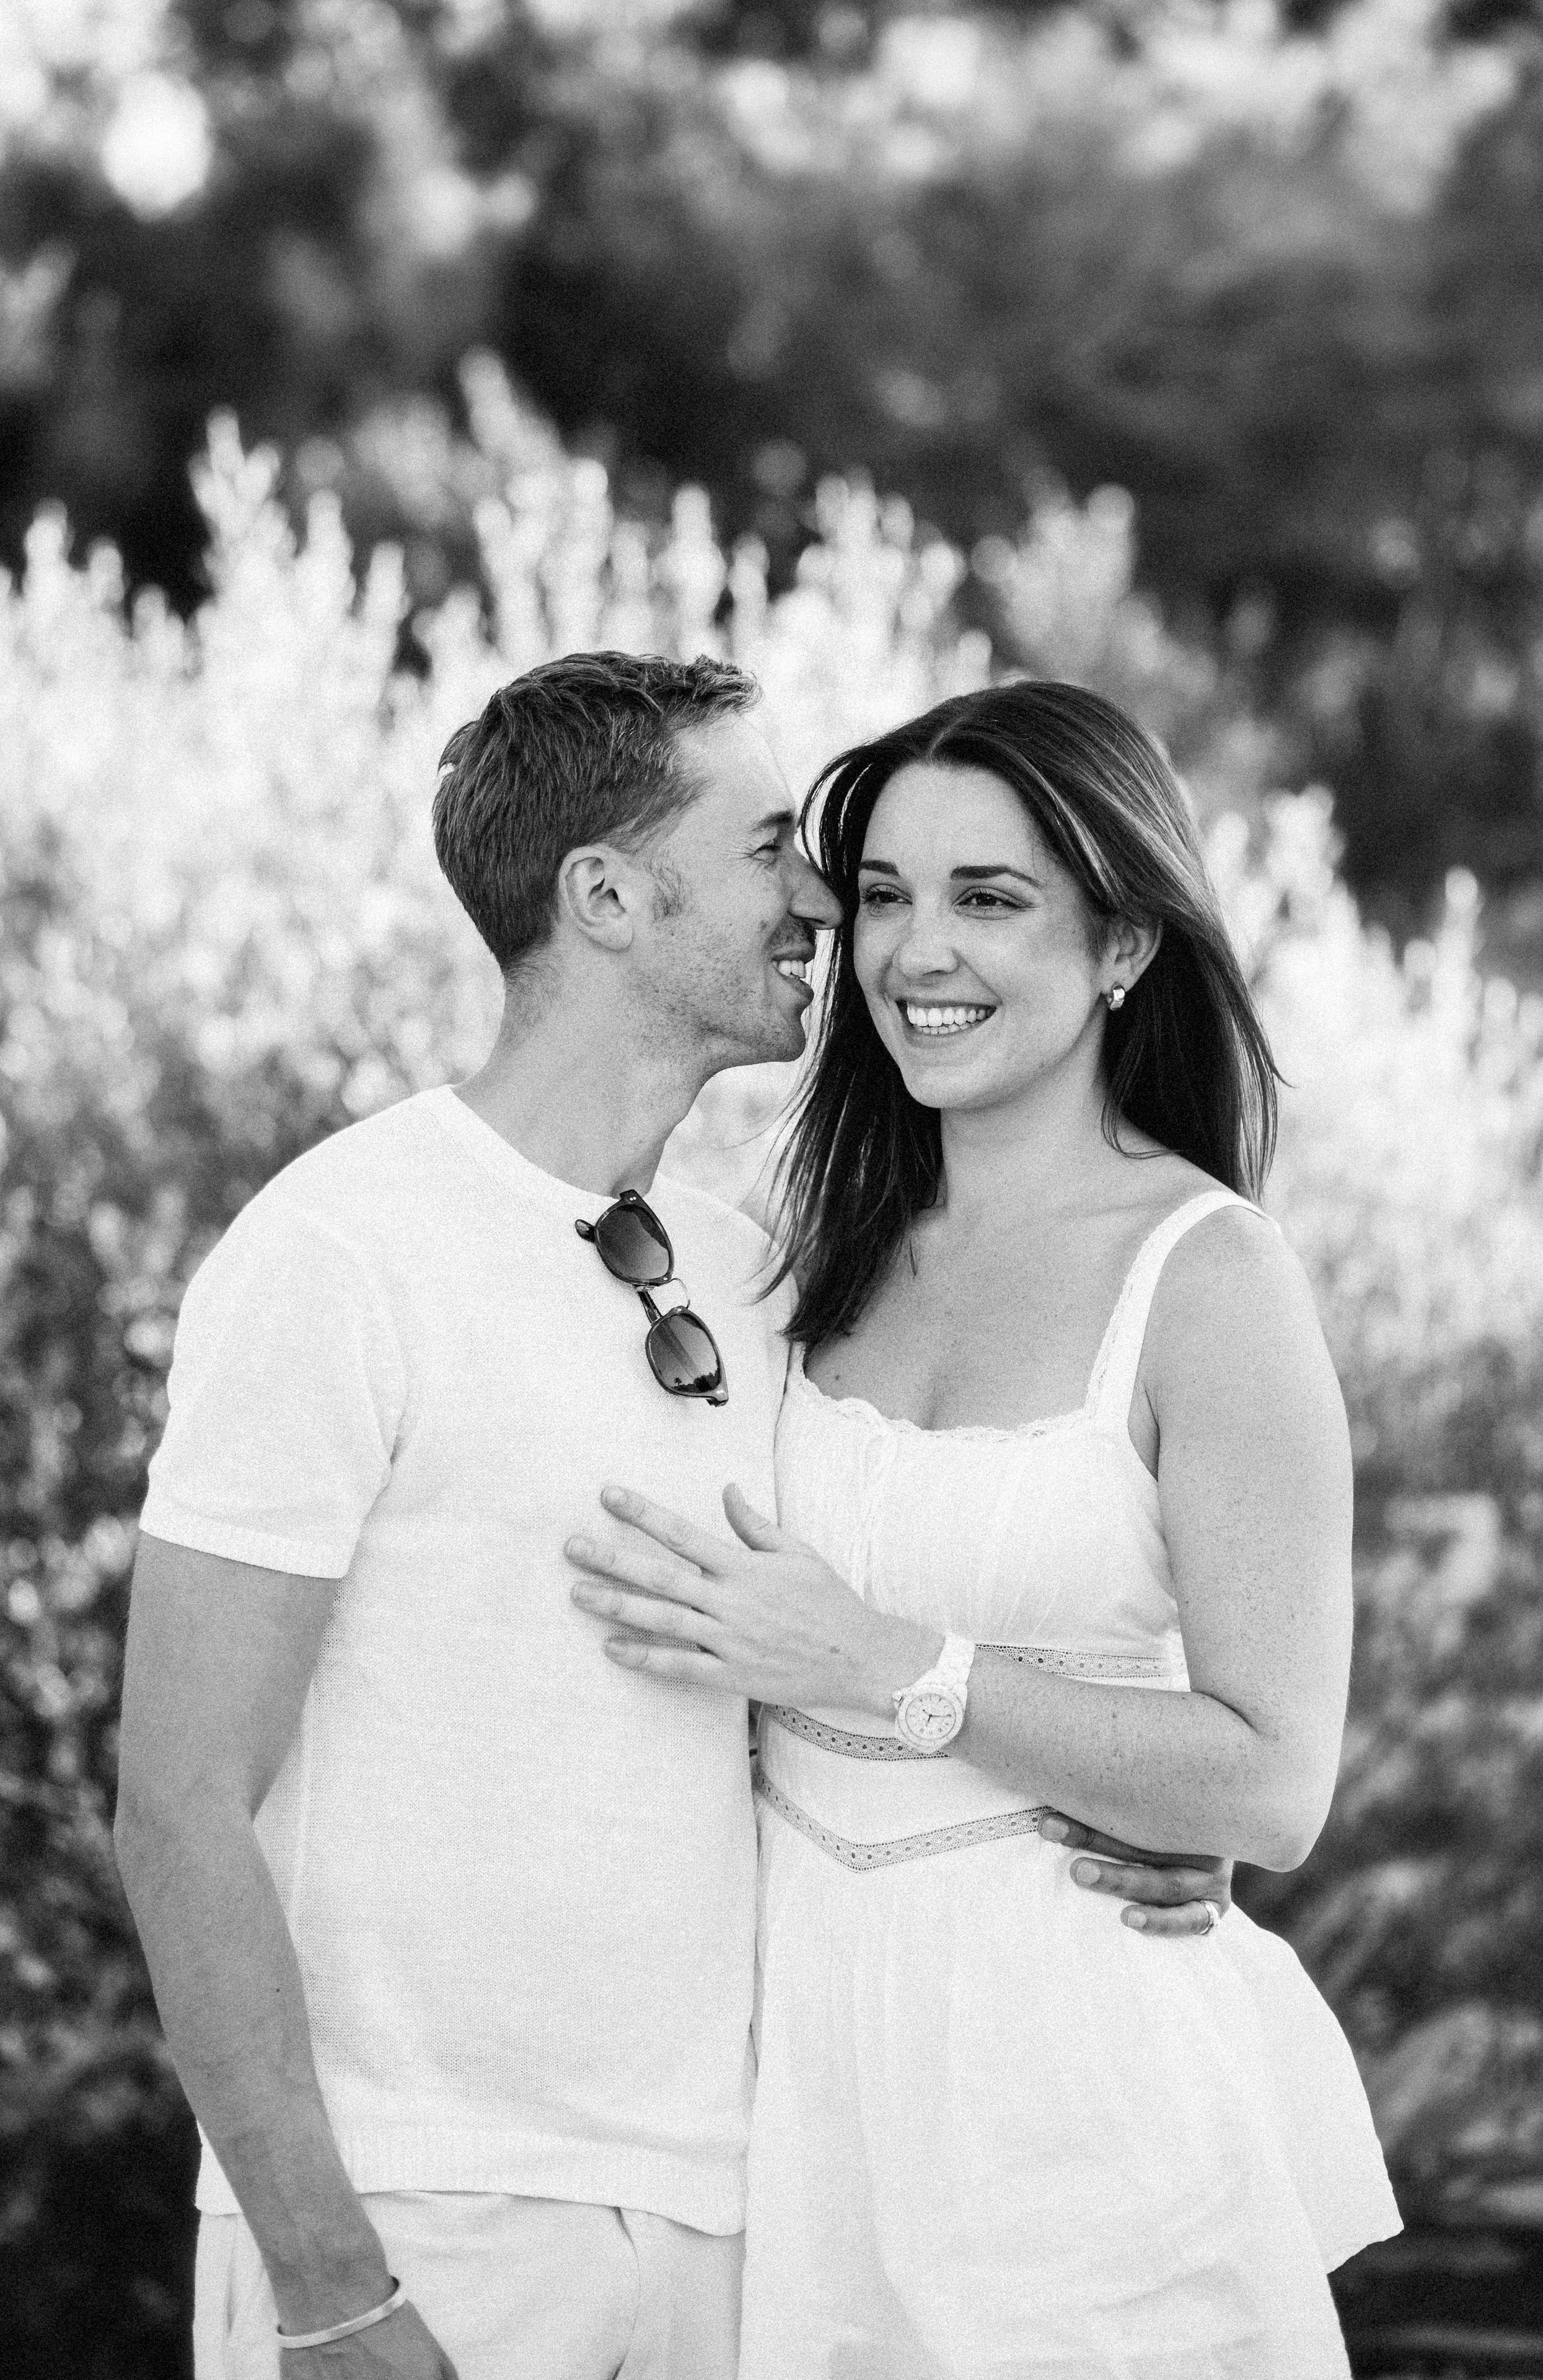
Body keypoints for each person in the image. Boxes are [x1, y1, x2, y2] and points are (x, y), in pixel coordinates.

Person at [113, 654, 1227, 2380]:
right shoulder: (336, 1255)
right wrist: (330, 2280)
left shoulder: (751, 1277)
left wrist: (1139, 1804)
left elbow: (845, 1648)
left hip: (730, 2215)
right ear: (608, 895)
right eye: (776, 848)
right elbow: (177, 1803)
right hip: (427, 2217)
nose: (824, 904)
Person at [564, 681, 1402, 2379]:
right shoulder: (785, 1249)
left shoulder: (1213, 1280)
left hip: (1064, 2074)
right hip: (779, 2057)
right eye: (883, 894)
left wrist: (889, 1665)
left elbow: (1270, 1779)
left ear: (1122, 949)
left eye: (990, 899)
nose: (914, 951)